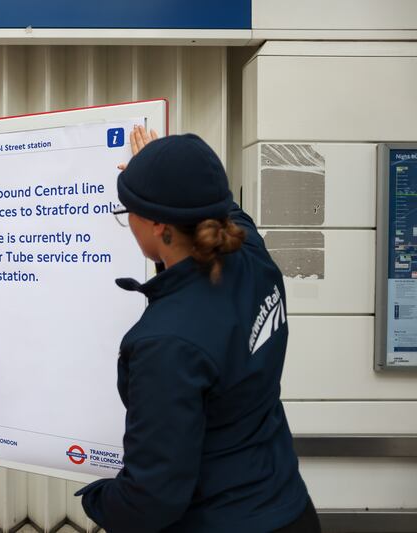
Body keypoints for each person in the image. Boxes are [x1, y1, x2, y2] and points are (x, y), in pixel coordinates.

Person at [76, 127, 321, 533]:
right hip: (290, 508)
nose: (128, 220)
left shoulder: (166, 342)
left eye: (127, 212)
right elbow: (224, 206)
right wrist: (164, 169)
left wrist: (97, 499)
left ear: (158, 225)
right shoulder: (253, 259)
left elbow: (152, 498)